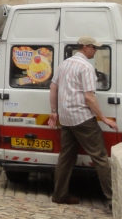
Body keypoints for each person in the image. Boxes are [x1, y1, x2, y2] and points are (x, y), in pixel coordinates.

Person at [47, 36, 117, 208]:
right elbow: (89, 96)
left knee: (66, 157)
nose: (96, 51)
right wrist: (104, 118)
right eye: (94, 48)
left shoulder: (64, 64)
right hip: (82, 117)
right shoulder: (86, 67)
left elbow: (53, 87)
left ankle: (59, 194)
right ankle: (112, 198)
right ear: (85, 48)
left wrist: (54, 112)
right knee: (100, 157)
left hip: (66, 117)